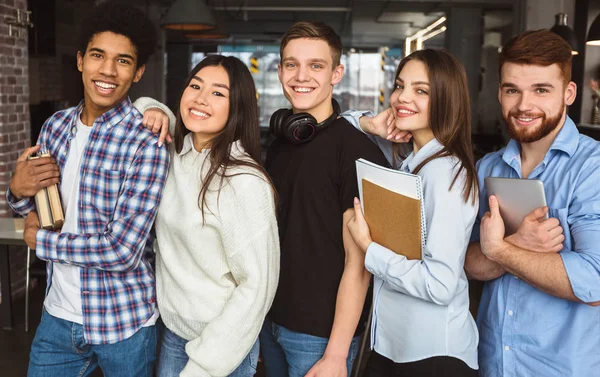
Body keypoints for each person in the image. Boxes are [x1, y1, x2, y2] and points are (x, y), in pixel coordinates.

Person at [6, 3, 171, 376]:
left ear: (138, 71)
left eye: (123, 61)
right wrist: (16, 191)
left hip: (124, 323)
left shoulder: (147, 142)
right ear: (81, 60)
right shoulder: (55, 127)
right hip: (57, 319)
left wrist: (41, 243)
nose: (108, 71)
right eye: (98, 55)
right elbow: (39, 210)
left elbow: (123, 251)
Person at [254, 21, 390, 377]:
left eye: (316, 65)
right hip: (270, 321)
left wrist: (336, 354)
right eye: (291, 64)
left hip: (319, 337)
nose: (301, 76)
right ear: (280, 69)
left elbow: (359, 265)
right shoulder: (283, 140)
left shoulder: (358, 152)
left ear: (337, 73)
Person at [464, 30, 600, 377]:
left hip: (562, 368)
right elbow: (465, 261)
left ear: (569, 93)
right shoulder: (488, 167)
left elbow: (594, 283)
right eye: (513, 90)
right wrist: (514, 244)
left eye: (541, 90)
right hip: (492, 362)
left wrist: (501, 251)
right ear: (499, 93)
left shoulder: (592, 168)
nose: (524, 105)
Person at [342, 48, 479, 376]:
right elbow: (340, 124)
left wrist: (369, 248)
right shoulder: (410, 160)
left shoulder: (444, 171)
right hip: (396, 348)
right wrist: (371, 124)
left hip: (432, 356)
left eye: (421, 91)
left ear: (446, 100)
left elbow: (440, 285)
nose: (402, 98)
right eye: (400, 86)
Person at [153, 55, 279, 377]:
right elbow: (146, 105)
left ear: (236, 107)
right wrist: (151, 111)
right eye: (195, 86)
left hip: (223, 348)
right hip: (174, 334)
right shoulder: (177, 155)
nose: (200, 98)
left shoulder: (243, 182)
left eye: (218, 93)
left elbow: (256, 289)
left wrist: (204, 365)